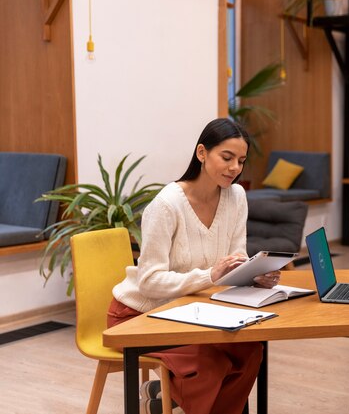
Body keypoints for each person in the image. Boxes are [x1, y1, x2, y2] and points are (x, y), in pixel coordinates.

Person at [107, 118, 280, 414]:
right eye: (226, 158)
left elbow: (234, 260)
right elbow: (149, 281)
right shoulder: (166, 205)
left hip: (192, 311)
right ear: (202, 153)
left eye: (241, 161)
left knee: (250, 351)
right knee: (208, 362)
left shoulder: (236, 196)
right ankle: (167, 395)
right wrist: (210, 275)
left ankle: (166, 396)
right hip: (140, 314)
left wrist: (254, 276)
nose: (235, 168)